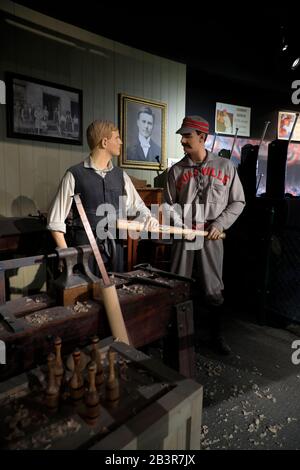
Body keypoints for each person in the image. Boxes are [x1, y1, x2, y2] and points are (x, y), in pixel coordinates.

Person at [163, 115, 245, 354]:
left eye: (188, 136)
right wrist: (181, 226)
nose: (183, 141)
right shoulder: (176, 170)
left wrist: (220, 224)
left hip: (211, 234)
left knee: (212, 287)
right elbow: (168, 205)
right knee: (178, 282)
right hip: (185, 233)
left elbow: (238, 201)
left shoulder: (225, 167)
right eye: (182, 136)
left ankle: (215, 336)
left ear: (202, 137)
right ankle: (175, 336)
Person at [47, 119, 159, 272]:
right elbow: (55, 222)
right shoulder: (74, 175)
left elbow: (138, 205)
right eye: (117, 138)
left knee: (116, 290)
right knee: (85, 294)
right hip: (84, 253)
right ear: (104, 142)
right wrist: (68, 257)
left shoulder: (121, 176)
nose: (120, 142)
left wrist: (149, 218)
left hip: (115, 252)